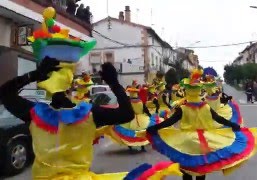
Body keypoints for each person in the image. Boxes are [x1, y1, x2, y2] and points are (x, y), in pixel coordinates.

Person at [0, 7, 183, 179]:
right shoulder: (89, 114)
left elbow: (4, 93)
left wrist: (32, 75)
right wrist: (114, 83)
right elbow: (126, 113)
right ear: (70, 84)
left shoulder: (34, 115)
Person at [142, 69, 257, 180]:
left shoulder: (183, 108)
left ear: (187, 91)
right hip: (204, 141)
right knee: (201, 170)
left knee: (187, 170)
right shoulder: (205, 107)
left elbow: (170, 121)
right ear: (199, 91)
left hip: (187, 142)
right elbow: (219, 119)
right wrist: (233, 125)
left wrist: (155, 128)